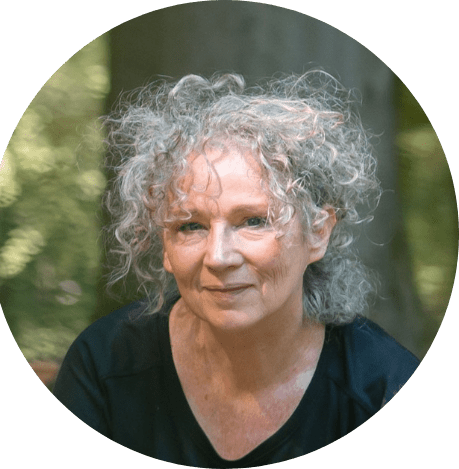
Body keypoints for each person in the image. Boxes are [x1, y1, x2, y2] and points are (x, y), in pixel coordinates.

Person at [53, 72, 419, 467]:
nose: (218, 257)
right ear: (165, 246)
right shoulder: (104, 366)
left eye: (254, 221)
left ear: (317, 233)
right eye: (190, 226)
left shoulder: (385, 388)